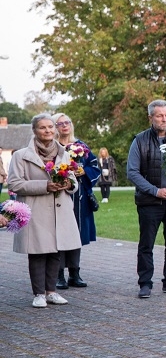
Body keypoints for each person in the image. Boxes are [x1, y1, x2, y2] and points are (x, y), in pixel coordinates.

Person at [7, 114, 81, 308]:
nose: (48, 131)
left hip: (60, 209)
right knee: (38, 252)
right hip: (36, 209)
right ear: (34, 130)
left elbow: (73, 181)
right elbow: (14, 183)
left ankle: (52, 292)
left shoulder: (64, 152)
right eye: (43, 127)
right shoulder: (21, 155)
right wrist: (45, 186)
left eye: (50, 127)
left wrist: (69, 184)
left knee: (55, 251)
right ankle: (38, 294)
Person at [127, 99, 166, 299]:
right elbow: (132, 172)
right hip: (150, 202)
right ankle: (145, 283)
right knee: (147, 244)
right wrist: (155, 191)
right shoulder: (140, 140)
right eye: (159, 115)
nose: (164, 119)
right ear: (150, 117)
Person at [53, 113, 100, 291]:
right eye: (60, 123)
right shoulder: (52, 147)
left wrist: (84, 171)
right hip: (58, 195)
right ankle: (58, 274)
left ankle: (75, 273)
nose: (65, 126)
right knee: (59, 233)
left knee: (77, 233)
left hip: (79, 198)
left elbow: (94, 165)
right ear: (54, 126)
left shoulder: (81, 146)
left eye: (68, 122)